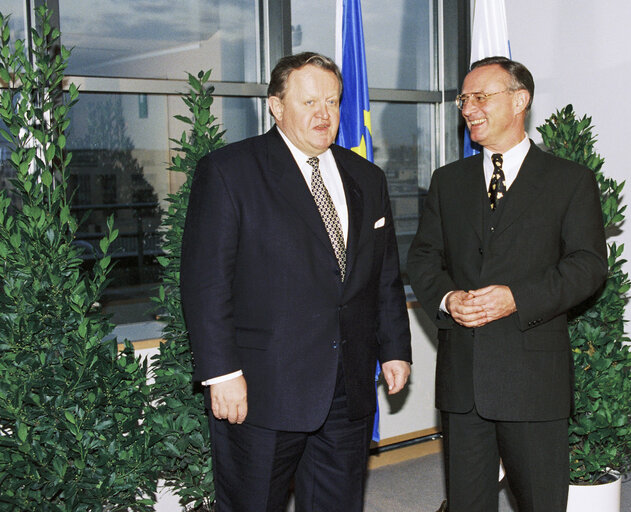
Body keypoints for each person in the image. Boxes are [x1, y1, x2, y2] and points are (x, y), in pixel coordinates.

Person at [180, 51, 412, 512]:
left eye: (332, 101)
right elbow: (206, 283)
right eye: (309, 102)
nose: (324, 114)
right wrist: (222, 374)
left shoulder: (367, 177)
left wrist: (395, 349)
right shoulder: (229, 173)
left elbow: (383, 275)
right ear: (276, 105)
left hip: (348, 387)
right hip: (262, 390)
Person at [407, 56, 607, 512]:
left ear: (520, 100)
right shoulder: (447, 182)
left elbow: (588, 265)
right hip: (462, 381)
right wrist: (447, 297)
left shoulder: (570, 181)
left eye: (481, 97)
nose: (469, 108)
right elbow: (422, 257)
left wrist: (516, 298)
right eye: (464, 100)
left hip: (533, 379)